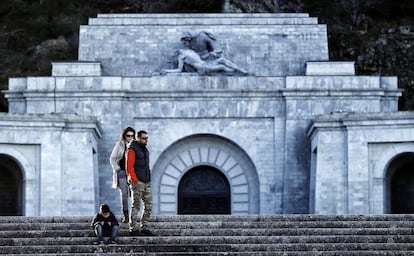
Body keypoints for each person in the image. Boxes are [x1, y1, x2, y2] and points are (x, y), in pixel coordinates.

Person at [126, 130, 153, 236]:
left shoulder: (145, 150)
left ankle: (144, 227)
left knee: (149, 205)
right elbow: (129, 167)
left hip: (146, 181)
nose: (146, 140)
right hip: (137, 181)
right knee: (136, 205)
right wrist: (134, 180)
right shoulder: (132, 149)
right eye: (144, 138)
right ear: (137, 138)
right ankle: (133, 228)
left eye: (147, 138)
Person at [109, 126, 135, 223]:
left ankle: (133, 215)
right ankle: (126, 215)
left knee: (134, 195)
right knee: (124, 194)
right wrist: (118, 169)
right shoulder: (119, 145)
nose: (130, 138)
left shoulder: (136, 146)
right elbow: (112, 159)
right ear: (124, 136)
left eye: (132, 136)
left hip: (132, 174)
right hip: (122, 173)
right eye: (128, 136)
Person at [163, 48, 248, 75]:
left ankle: (240, 69)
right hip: (203, 68)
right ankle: (237, 72)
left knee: (222, 60)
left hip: (206, 63)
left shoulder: (190, 51)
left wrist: (211, 54)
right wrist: (167, 71)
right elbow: (179, 70)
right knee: (222, 67)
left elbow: (201, 58)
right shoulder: (181, 57)